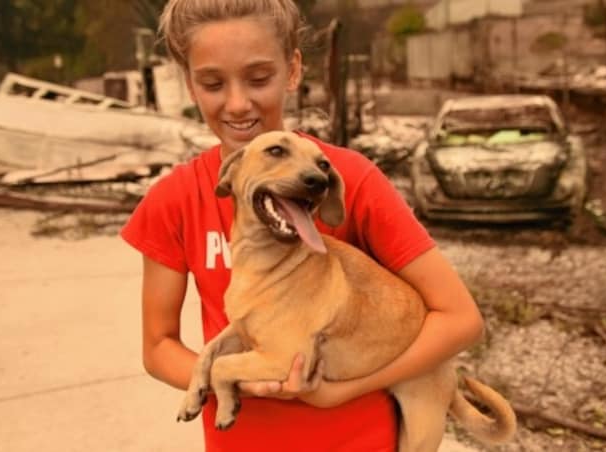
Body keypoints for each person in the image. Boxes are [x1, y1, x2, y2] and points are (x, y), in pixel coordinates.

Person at [120, 1, 485, 451]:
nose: (237, 104)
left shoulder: (350, 180)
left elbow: (461, 319)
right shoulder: (174, 199)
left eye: (258, 79)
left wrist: (340, 391)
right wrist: (236, 378)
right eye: (213, 83)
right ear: (189, 84)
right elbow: (158, 347)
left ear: (293, 70)